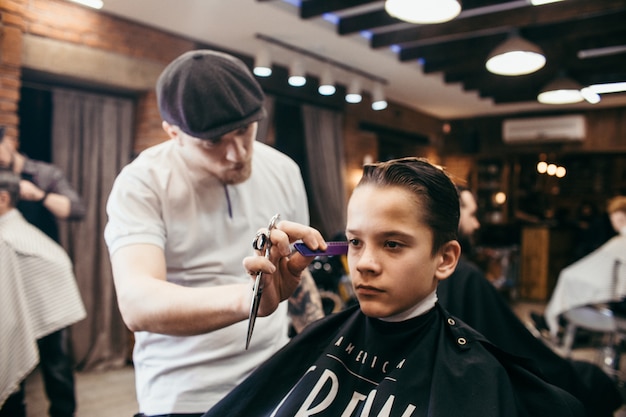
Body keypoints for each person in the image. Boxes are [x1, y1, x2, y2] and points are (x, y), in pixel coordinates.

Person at [202, 157, 585, 417]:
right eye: (355, 242)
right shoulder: (328, 334)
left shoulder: (474, 374)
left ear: (446, 258)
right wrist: (266, 298)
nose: (364, 263)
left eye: (392, 244)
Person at [104, 49, 325, 416]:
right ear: (173, 133)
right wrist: (249, 300)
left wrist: (324, 350)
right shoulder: (142, 182)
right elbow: (137, 302)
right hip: (182, 394)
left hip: (276, 382)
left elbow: (296, 275)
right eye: (213, 142)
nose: (237, 154)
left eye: (245, 131)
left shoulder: (284, 170)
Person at [437, 187, 623, 417]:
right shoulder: (465, 277)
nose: (476, 225)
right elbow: (515, 348)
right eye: (472, 215)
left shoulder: (444, 277)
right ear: (452, 217)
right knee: (592, 380)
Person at [0, 127, 86, 417]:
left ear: (8, 142)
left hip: (42, 272)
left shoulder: (45, 174)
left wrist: (39, 195)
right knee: (12, 352)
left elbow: (76, 209)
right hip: (10, 275)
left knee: (56, 358)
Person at [532, 196, 626, 338]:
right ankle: (555, 323)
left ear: (621, 217)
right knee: (578, 289)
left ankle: (552, 323)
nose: (613, 223)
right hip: (618, 297)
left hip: (619, 304)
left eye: (615, 219)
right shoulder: (619, 242)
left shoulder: (620, 243)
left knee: (569, 281)